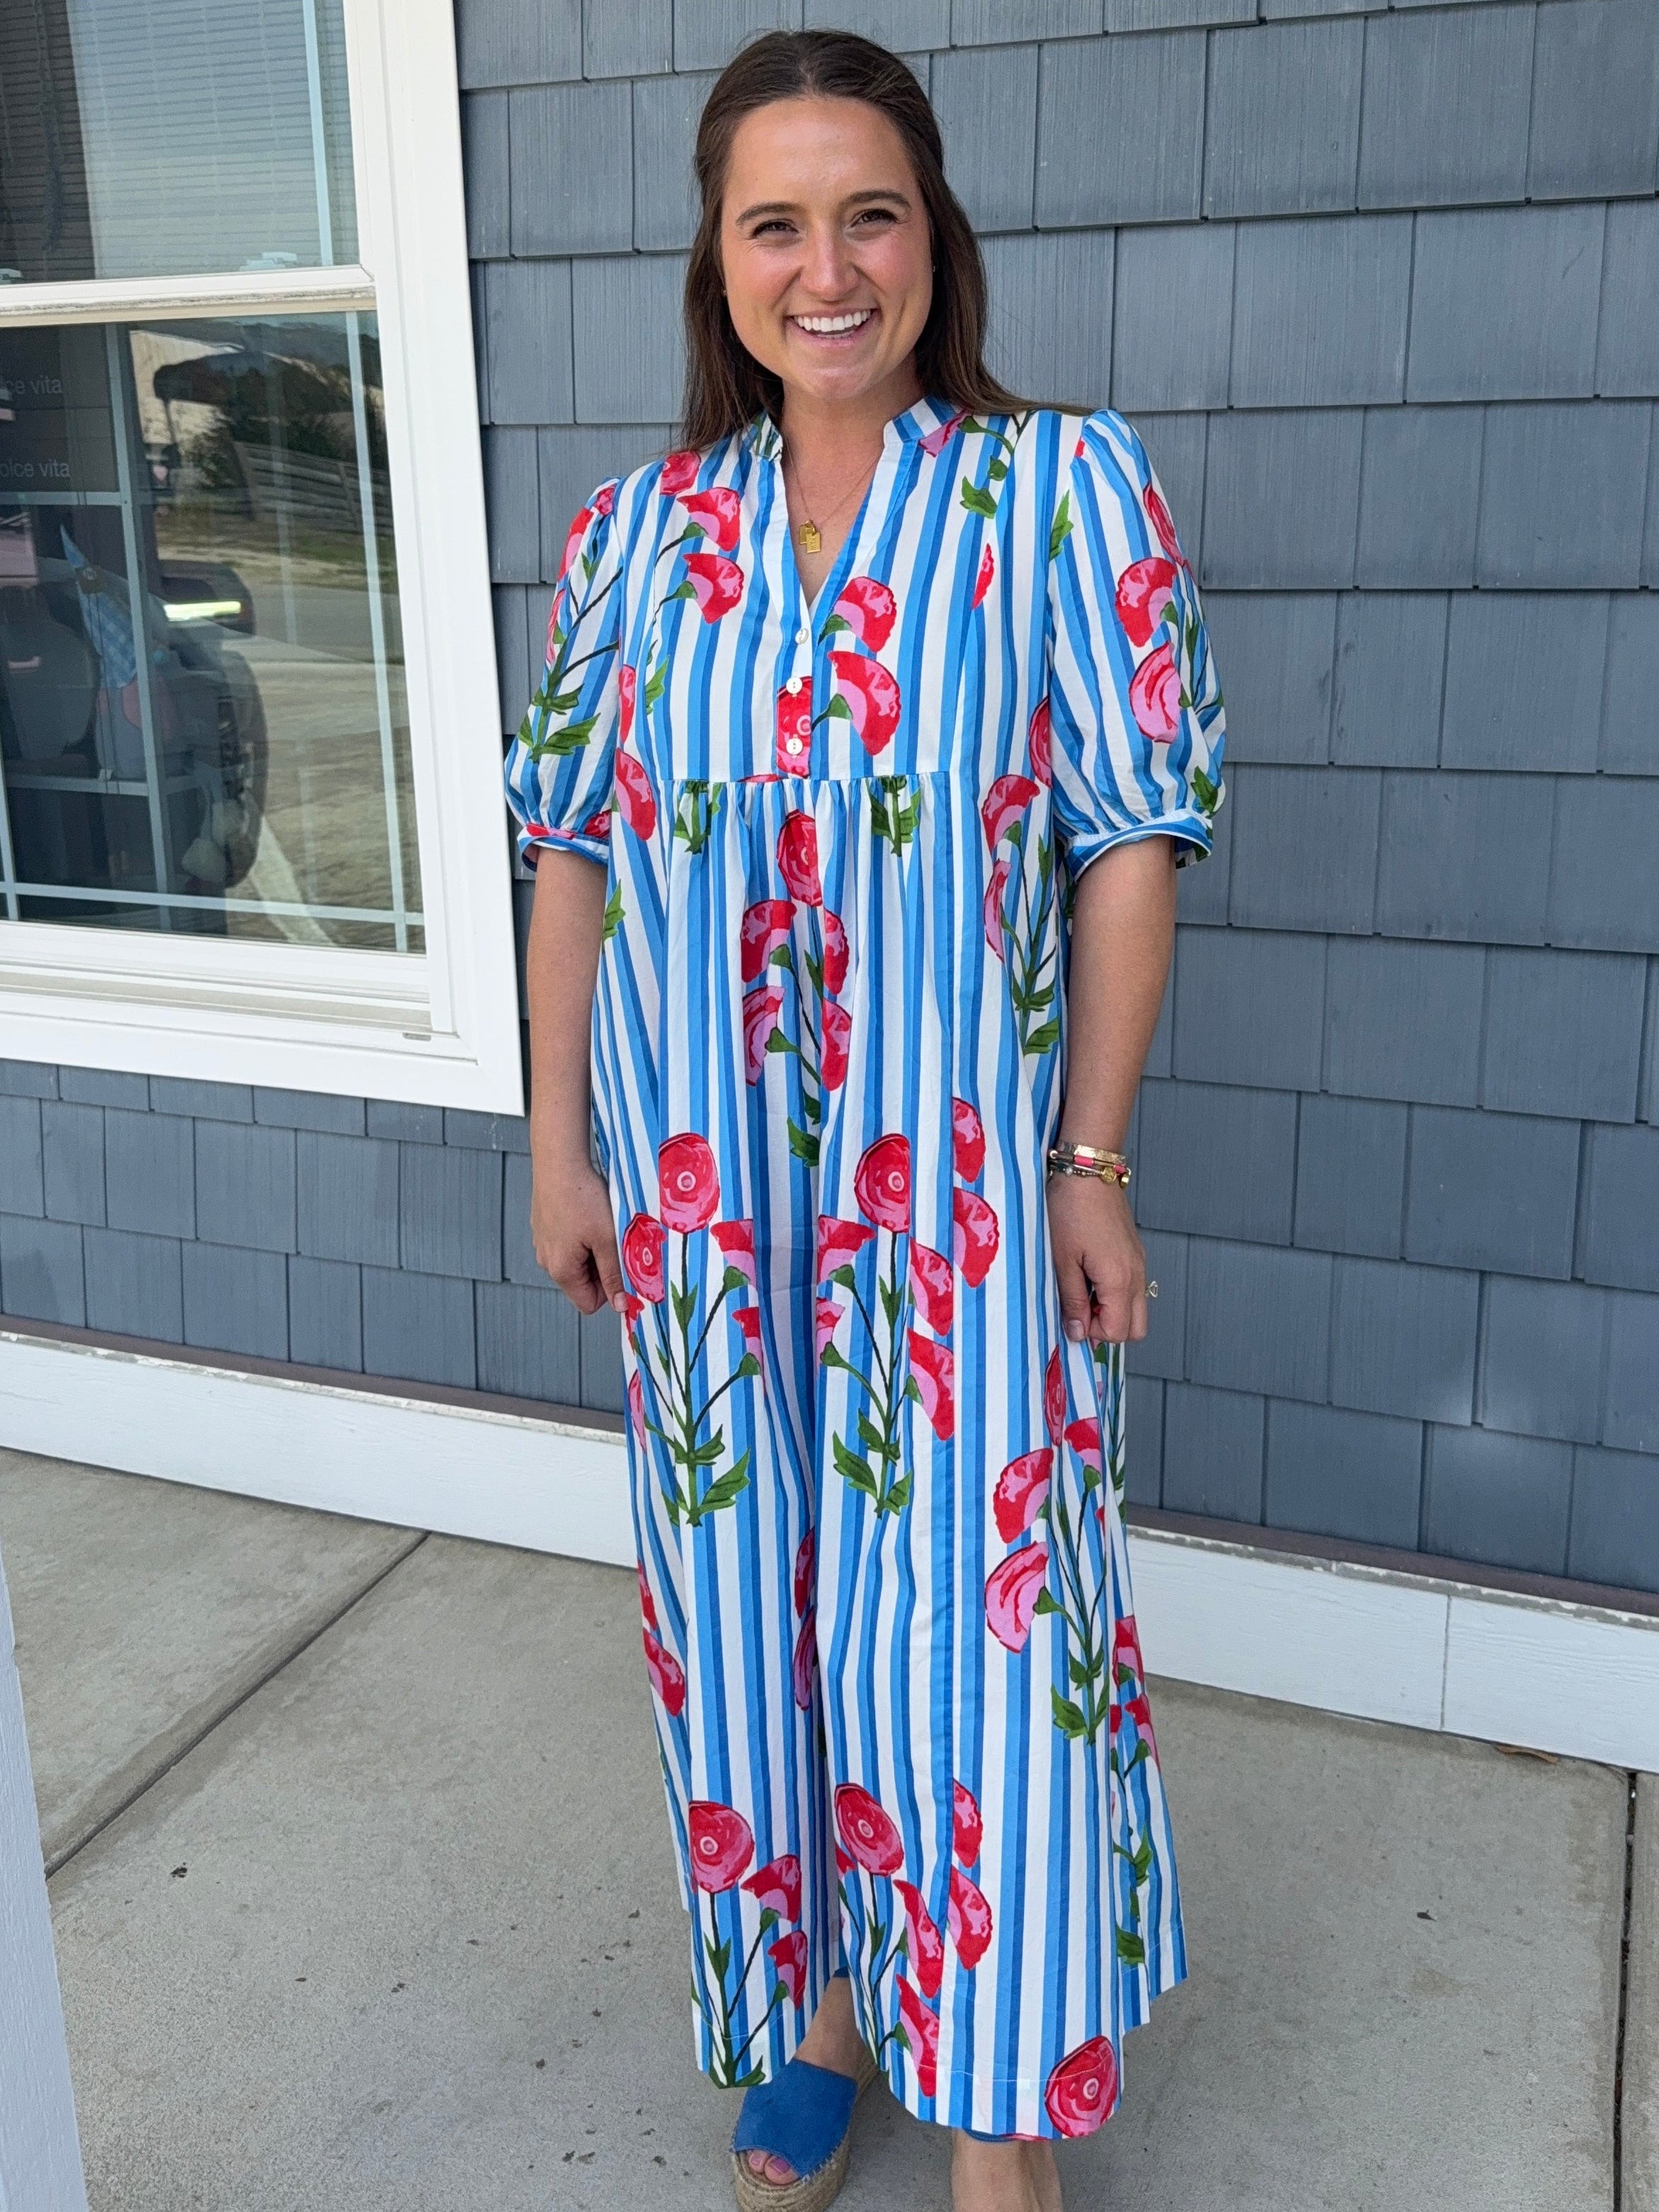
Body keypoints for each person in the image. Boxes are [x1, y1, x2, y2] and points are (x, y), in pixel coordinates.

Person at [505, 29, 1224, 2212]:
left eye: (872, 211)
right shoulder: (637, 539)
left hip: (965, 1199)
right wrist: (560, 1143)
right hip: (709, 1193)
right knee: (762, 1610)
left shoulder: (1058, 490)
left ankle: (993, 2119)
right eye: (778, 222)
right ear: (719, 258)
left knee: (984, 1639)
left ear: (938, 235)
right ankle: (826, 2003)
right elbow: (575, 854)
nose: (831, 268)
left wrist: (1090, 1158)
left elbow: (1126, 837)